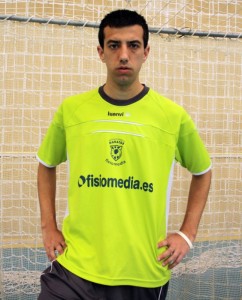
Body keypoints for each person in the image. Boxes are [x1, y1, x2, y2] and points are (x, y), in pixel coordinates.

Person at [37, 9, 212, 300]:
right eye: (114, 45)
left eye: (133, 45)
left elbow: (202, 171)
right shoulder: (73, 110)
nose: (123, 55)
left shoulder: (171, 116)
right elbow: (46, 164)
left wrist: (186, 234)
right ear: (100, 52)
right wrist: (49, 227)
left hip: (142, 273)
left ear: (146, 52)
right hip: (74, 267)